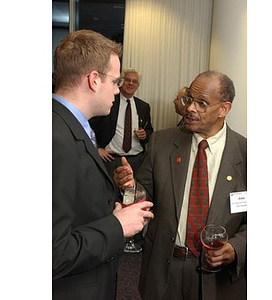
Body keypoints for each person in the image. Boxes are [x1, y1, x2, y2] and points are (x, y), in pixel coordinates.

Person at [114, 71, 247, 300]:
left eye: (202, 103)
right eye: (189, 99)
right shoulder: (162, 143)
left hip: (219, 280)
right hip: (165, 269)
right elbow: (143, 195)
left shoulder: (247, 155)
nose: (190, 109)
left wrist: (235, 248)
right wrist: (129, 186)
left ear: (224, 109)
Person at [52, 29, 154, 300]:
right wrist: (117, 226)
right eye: (116, 81)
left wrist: (112, 209)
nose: (118, 89)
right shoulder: (55, 140)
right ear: (94, 80)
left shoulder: (68, 127)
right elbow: (52, 253)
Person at [89, 68, 153, 180]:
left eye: (134, 81)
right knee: (109, 194)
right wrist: (97, 149)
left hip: (136, 161)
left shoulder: (143, 107)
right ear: (121, 82)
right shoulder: (109, 101)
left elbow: (149, 131)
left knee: (132, 194)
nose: (130, 83)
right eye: (127, 80)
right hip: (111, 160)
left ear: (138, 85)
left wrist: (145, 135)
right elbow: (89, 125)